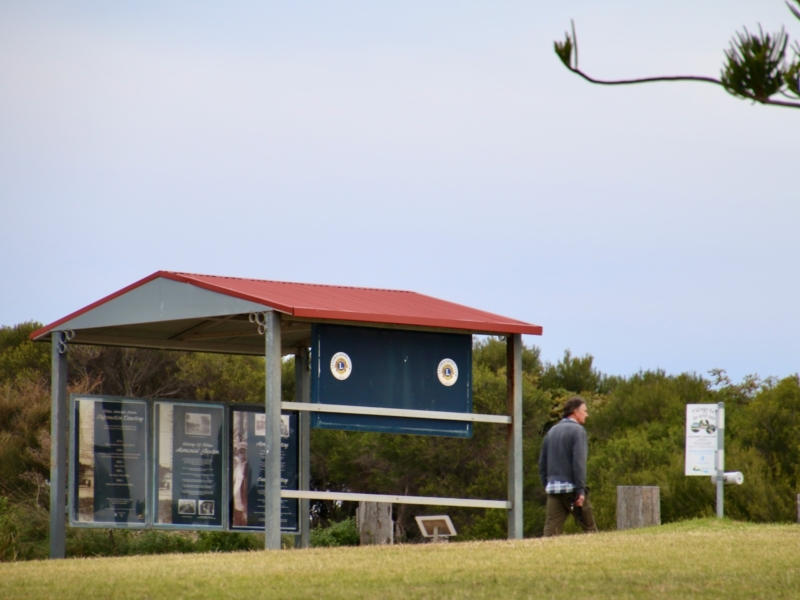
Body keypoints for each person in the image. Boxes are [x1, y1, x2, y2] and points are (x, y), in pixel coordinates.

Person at [538, 396, 598, 536]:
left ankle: (543, 556)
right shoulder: (578, 431)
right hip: (572, 489)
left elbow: (542, 463)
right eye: (585, 411)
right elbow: (579, 462)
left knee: (551, 531)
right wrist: (580, 490)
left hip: (553, 488)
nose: (587, 414)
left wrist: (547, 484)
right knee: (590, 529)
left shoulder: (551, 431)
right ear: (575, 411)